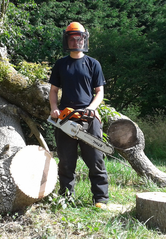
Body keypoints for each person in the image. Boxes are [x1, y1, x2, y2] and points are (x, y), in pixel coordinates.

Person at [49, 22, 109, 208]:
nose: (76, 42)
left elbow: (99, 92)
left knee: (96, 159)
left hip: (89, 116)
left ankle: (100, 198)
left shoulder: (93, 64)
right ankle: (67, 197)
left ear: (85, 39)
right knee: (66, 160)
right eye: (73, 38)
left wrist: (92, 107)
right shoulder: (61, 64)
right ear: (67, 40)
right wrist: (54, 108)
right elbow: (53, 91)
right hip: (66, 117)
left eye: (79, 38)